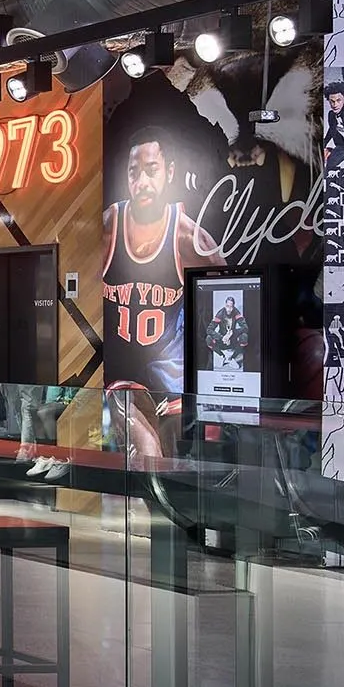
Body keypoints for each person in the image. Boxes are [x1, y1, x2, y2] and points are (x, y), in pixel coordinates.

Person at [97, 129, 223, 463]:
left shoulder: (188, 237)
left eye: (151, 170)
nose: (141, 181)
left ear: (169, 173)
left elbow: (229, 303)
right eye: (133, 172)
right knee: (149, 453)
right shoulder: (108, 227)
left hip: (170, 375)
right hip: (122, 371)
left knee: (170, 464)